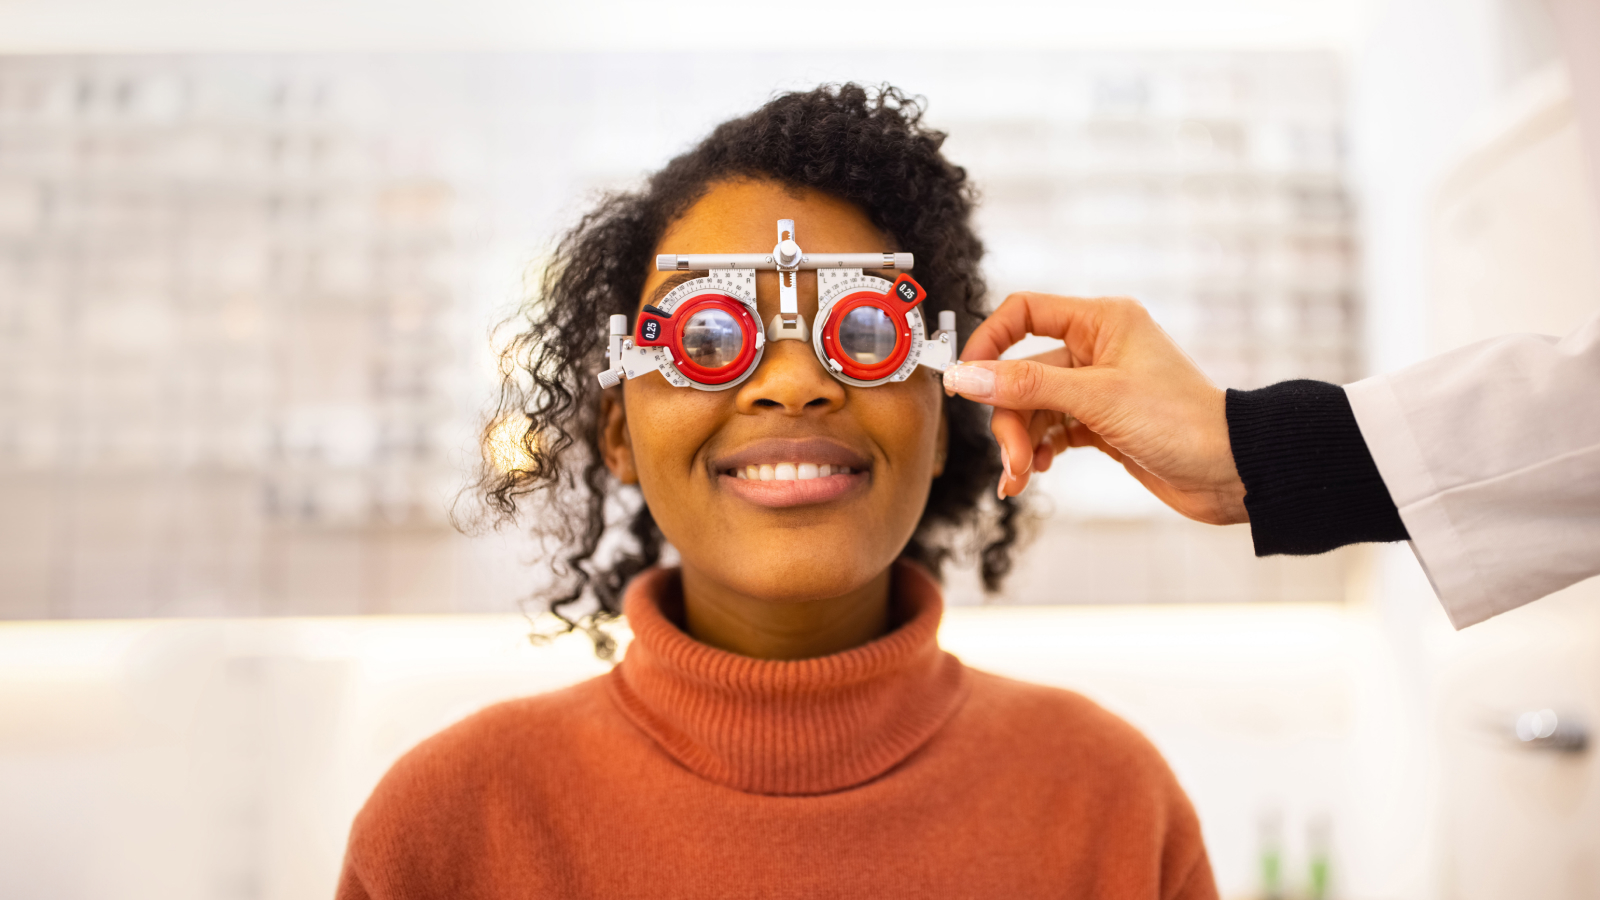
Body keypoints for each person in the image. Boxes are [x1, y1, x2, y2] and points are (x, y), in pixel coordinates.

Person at [336, 85, 1217, 899]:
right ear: (619, 434)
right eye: (709, 334)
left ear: (948, 414)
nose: (792, 384)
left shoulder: (1110, 803)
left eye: (863, 328)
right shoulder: (447, 828)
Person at [941, 296, 1600, 630]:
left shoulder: (1112, 782)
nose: (829, 388)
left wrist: (1250, 453)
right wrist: (1245, 457)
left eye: (865, 333)